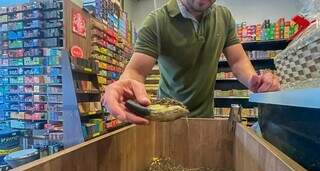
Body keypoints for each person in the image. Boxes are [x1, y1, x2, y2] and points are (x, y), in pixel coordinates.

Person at [102, 0, 280, 125]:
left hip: (206, 118)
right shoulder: (157, 21)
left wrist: (254, 81)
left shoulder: (224, 16)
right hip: (167, 118)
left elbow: (238, 60)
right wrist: (124, 85)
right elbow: (136, 72)